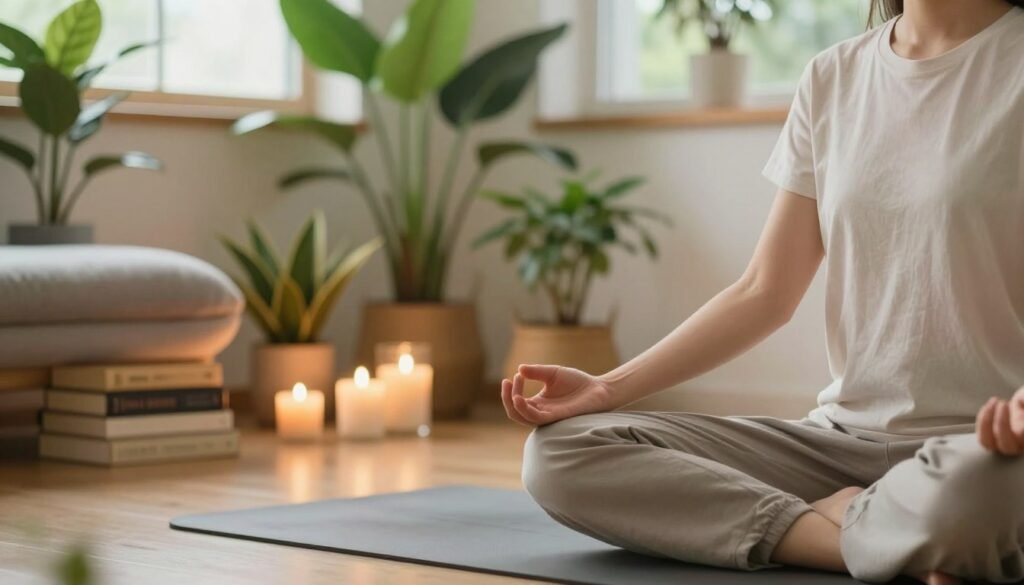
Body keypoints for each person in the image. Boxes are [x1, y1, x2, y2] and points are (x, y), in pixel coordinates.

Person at [503, 1, 1024, 583]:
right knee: (561, 456)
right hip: (835, 445)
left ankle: (886, 527)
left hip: (984, 448)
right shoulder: (833, 76)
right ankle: (861, 532)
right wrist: (607, 387)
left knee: (978, 501)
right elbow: (763, 290)